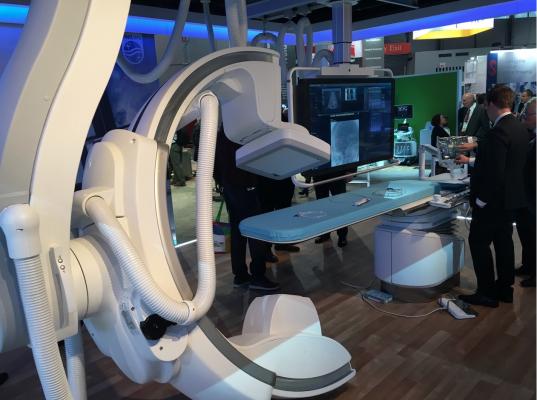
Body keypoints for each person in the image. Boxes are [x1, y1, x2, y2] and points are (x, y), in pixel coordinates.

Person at [455, 85, 531, 307]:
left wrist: (481, 200)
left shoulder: (497, 132)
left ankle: (486, 292)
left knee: (478, 242)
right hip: (510, 200)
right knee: (504, 243)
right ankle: (505, 290)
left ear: (490, 104)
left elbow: (495, 172)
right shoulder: (519, 127)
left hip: (492, 202)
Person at [214, 125, 279, 291]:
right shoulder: (243, 133)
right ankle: (258, 276)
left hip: (230, 187)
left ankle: (240, 275)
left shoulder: (220, 134)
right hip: (246, 185)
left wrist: (223, 183)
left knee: (238, 232)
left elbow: (214, 166)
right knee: (255, 232)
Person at [514, 97, 536, 287]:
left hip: (532, 196)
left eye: (527, 115)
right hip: (525, 195)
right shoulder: (530, 135)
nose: (524, 118)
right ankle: (528, 266)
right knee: (526, 233)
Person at [312, 170, 351, 248]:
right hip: (318, 174)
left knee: (340, 206)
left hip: (337, 172)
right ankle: (324, 234)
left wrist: (351, 171)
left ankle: (342, 236)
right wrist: (307, 175)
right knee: (322, 208)